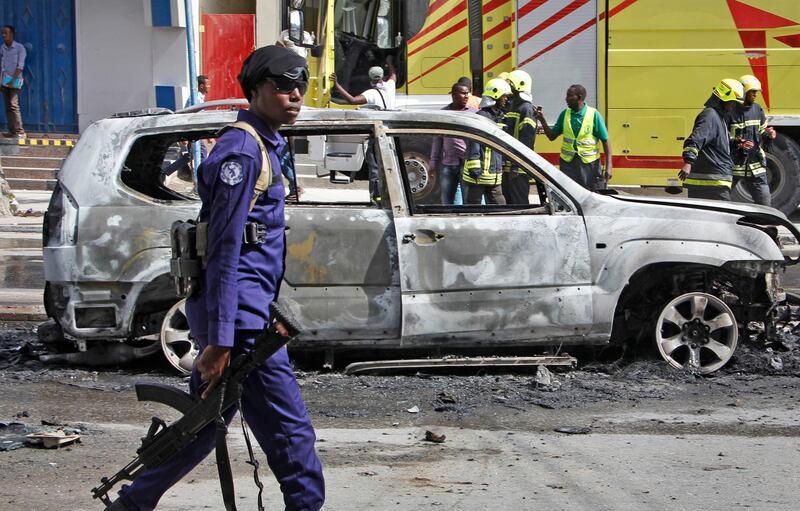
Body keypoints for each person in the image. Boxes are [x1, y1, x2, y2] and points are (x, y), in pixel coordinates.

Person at [107, 45, 325, 511]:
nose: (294, 95)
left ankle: (129, 505)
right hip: (242, 327)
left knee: (198, 428)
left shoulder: (262, 143)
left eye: (299, 86)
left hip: (245, 316)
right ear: (255, 90)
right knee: (291, 437)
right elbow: (224, 251)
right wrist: (221, 341)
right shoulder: (243, 152)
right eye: (282, 86)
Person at [331, 57, 397, 201]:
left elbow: (352, 100)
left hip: (378, 134)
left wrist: (337, 85)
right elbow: (393, 75)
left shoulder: (371, 94)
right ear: (382, 77)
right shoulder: (390, 86)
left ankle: (376, 196)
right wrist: (390, 62)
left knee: (374, 166)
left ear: (370, 79)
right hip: (390, 132)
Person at [677, 78, 744, 200]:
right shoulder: (709, 115)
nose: (733, 106)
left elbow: (717, 142)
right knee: (722, 217)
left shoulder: (719, 117)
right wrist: (688, 162)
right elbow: (696, 139)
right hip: (710, 182)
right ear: (722, 98)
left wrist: (735, 143)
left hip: (715, 180)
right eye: (732, 102)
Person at [536, 84, 612, 191]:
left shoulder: (594, 115)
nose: (566, 99)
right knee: (568, 194)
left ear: (579, 98)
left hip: (589, 165)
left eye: (569, 96)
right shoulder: (564, 114)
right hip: (568, 164)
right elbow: (551, 136)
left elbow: (606, 141)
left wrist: (609, 166)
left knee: (589, 195)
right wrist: (542, 120)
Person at [729, 74, 776, 206]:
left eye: (756, 92)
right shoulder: (730, 111)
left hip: (756, 165)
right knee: (723, 202)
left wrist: (769, 135)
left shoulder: (757, 109)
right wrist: (738, 143)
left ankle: (765, 226)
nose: (755, 95)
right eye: (752, 92)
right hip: (734, 166)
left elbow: (761, 131)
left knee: (765, 205)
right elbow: (724, 136)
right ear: (743, 92)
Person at [462, 78, 511, 205]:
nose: (506, 99)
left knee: (499, 204)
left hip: (493, 173)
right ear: (495, 95)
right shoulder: (482, 116)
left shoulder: (499, 116)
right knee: (474, 206)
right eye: (504, 96)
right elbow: (474, 142)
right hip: (479, 174)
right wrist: (475, 168)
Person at [430, 81, 476, 204]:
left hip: (466, 165)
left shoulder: (473, 114)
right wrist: (433, 162)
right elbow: (437, 139)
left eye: (467, 94)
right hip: (448, 164)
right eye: (463, 93)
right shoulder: (443, 113)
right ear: (453, 95)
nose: (466, 96)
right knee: (447, 200)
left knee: (468, 200)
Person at [502, 69, 537, 204]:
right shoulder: (512, 106)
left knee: (519, 203)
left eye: (510, 85)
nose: (508, 88)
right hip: (508, 167)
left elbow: (526, 141)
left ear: (518, 86)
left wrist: (516, 166)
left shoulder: (526, 109)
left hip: (518, 169)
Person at [1, 25, 26, 138]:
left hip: (15, 80)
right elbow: (2, 66)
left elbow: (20, 66)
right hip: (5, 80)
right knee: (7, 106)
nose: (3, 35)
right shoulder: (2, 48)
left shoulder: (20, 48)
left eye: (6, 33)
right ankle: (12, 131)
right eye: (3, 33)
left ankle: (20, 131)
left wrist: (13, 80)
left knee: (13, 104)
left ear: (12, 34)